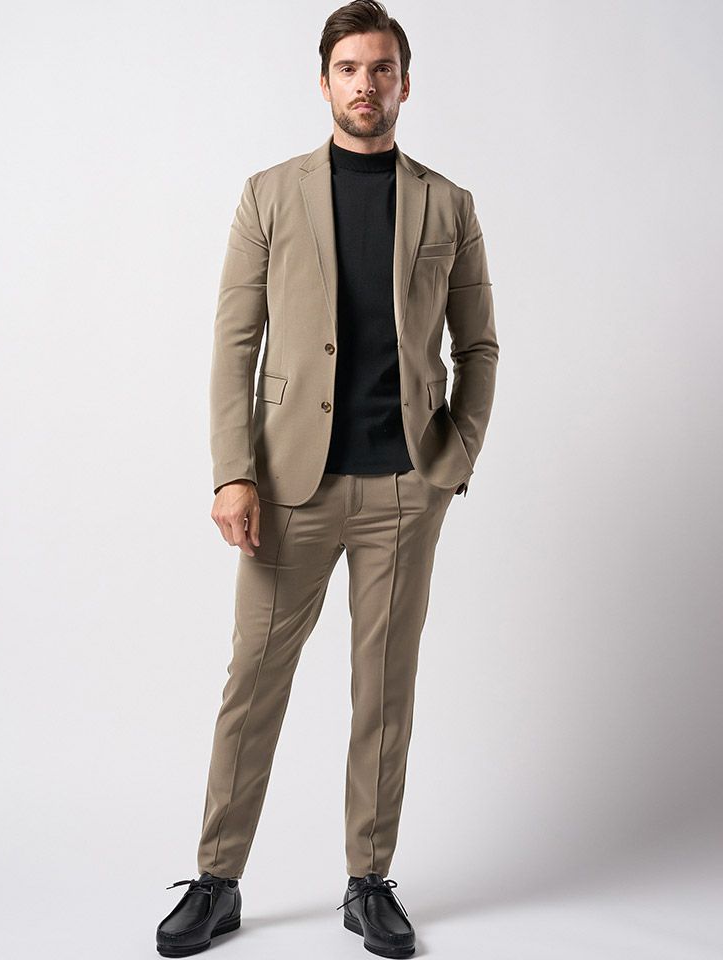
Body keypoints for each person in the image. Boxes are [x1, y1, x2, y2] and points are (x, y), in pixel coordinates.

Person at [156, 1, 499, 956]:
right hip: (286, 492)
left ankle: (368, 881)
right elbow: (234, 345)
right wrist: (233, 474)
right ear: (323, 82)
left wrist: (452, 462)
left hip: (404, 491)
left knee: (384, 693)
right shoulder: (270, 194)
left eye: (381, 68)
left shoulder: (448, 204)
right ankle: (218, 880)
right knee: (253, 682)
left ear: (404, 82)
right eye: (349, 68)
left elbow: (478, 345)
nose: (365, 84)